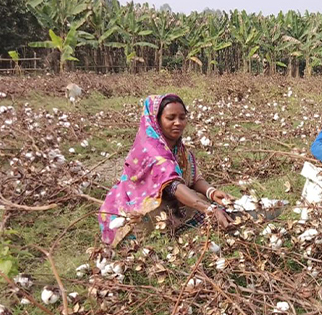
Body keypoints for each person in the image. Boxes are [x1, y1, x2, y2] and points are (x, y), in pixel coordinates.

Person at [98, 94, 234, 246]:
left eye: (182, 117)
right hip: (136, 210)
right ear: (156, 120)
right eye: (171, 118)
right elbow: (174, 185)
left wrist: (212, 192)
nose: (178, 123)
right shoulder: (150, 151)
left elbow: (194, 178)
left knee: (203, 201)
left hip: (166, 204)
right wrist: (210, 210)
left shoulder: (180, 151)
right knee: (144, 226)